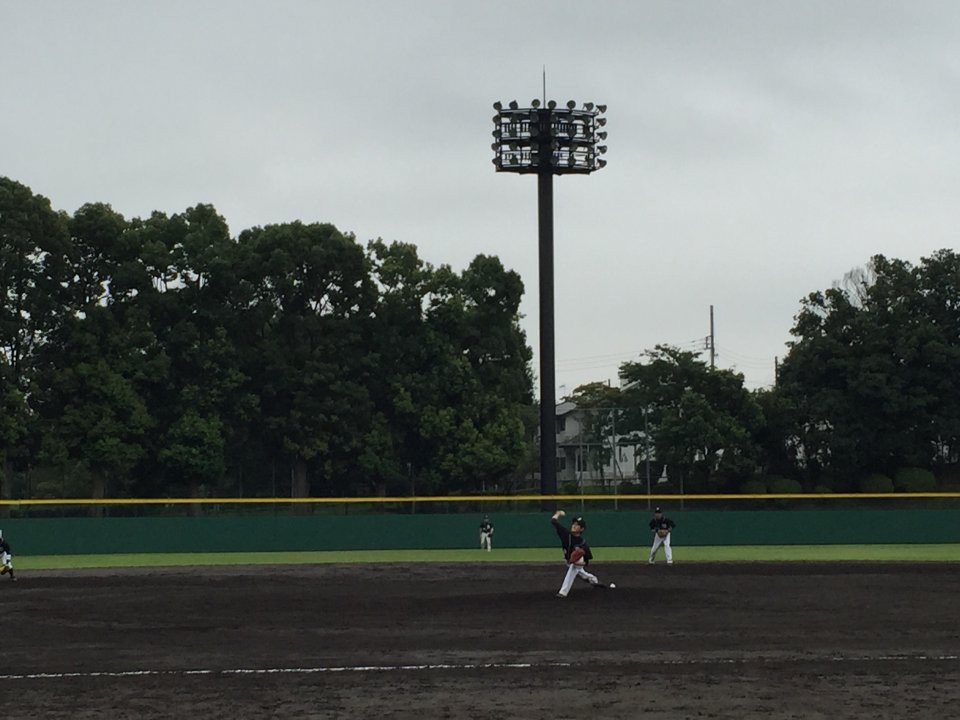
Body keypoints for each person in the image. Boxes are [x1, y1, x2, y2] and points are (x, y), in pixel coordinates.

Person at [550, 510, 611, 597]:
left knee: (574, 568)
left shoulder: (583, 544)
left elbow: (586, 562)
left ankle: (563, 592)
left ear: (581, 529)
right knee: (580, 572)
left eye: (577, 525)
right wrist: (558, 513)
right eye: (574, 524)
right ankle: (594, 580)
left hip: (576, 562)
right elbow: (553, 521)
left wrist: (577, 563)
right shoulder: (565, 534)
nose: (574, 526)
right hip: (568, 560)